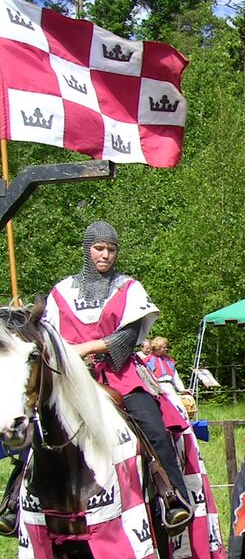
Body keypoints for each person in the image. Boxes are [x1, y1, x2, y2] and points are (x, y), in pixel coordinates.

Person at [43, 220, 193, 532]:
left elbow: (128, 336)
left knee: (153, 428)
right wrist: (72, 355)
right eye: (99, 248)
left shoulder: (128, 287)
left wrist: (86, 348)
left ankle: (173, 497)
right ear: (87, 250)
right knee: (39, 426)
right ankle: (16, 498)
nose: (105, 255)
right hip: (73, 376)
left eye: (111, 249)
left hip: (119, 372)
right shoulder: (61, 291)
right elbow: (49, 336)